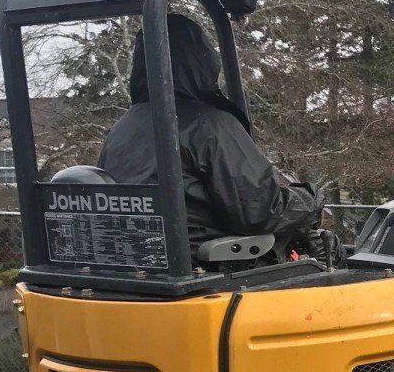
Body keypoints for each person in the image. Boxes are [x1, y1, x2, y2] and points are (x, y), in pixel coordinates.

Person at [99, 13, 324, 254]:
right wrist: (311, 199)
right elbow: (259, 210)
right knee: (327, 255)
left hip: (145, 258)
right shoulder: (209, 125)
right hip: (212, 263)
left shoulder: (122, 127)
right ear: (200, 61)